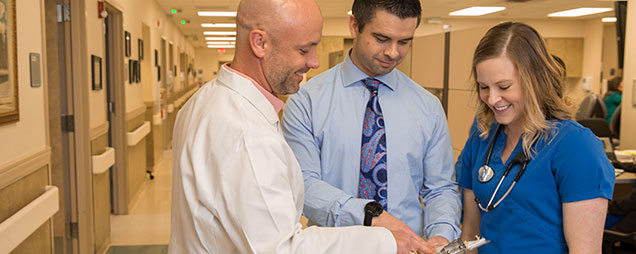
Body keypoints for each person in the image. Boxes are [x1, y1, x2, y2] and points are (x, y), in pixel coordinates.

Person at [169, 0, 428, 253]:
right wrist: (387, 242)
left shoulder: (203, 101)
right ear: (260, 43)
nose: (314, 62)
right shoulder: (248, 135)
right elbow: (282, 248)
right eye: (304, 50)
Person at [282, 0, 461, 250]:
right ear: (354, 26)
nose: (393, 52)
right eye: (381, 38)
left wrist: (441, 233)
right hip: (337, 248)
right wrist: (370, 216)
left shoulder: (428, 107)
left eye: (404, 42)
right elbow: (303, 185)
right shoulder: (307, 101)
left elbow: (440, 188)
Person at [457, 22, 615, 253]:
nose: (492, 99)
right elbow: (470, 236)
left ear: (534, 81)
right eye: (483, 87)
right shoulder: (481, 139)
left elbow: (585, 250)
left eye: (504, 86)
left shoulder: (575, 146)